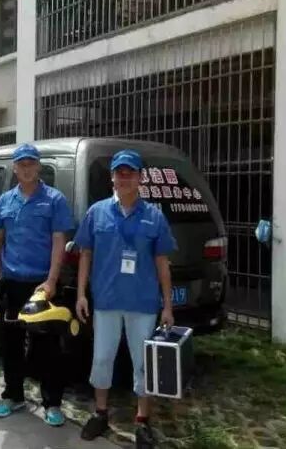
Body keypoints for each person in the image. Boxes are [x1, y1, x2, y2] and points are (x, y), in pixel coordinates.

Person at [74, 149, 177, 446]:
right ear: (112, 178)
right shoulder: (97, 212)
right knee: (102, 358)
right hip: (106, 301)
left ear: (140, 178)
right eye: (119, 173)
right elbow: (85, 254)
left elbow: (162, 263)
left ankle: (142, 421)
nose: (124, 178)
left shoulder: (154, 217)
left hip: (142, 303)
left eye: (130, 173)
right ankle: (100, 413)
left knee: (142, 364)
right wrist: (81, 294)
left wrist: (168, 305)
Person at [0, 143, 74, 427]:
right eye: (21, 164)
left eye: (31, 164)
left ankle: (52, 403)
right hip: (12, 283)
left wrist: (51, 280)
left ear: (39, 166)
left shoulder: (54, 200)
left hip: (42, 285)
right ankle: (13, 396)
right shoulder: (5, 201)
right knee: (10, 344)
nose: (26, 169)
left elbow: (59, 241)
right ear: (15, 168)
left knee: (48, 347)